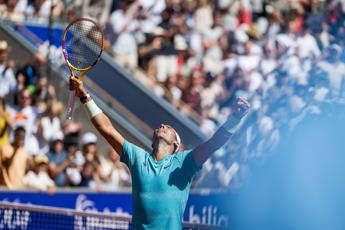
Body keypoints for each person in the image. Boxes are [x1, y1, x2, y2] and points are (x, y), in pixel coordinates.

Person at [69, 76, 250, 229]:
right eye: (161, 126)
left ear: (176, 145)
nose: (163, 125)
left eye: (169, 127)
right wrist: (84, 95)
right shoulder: (138, 158)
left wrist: (235, 118)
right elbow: (107, 129)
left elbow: (213, 144)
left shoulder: (184, 162)